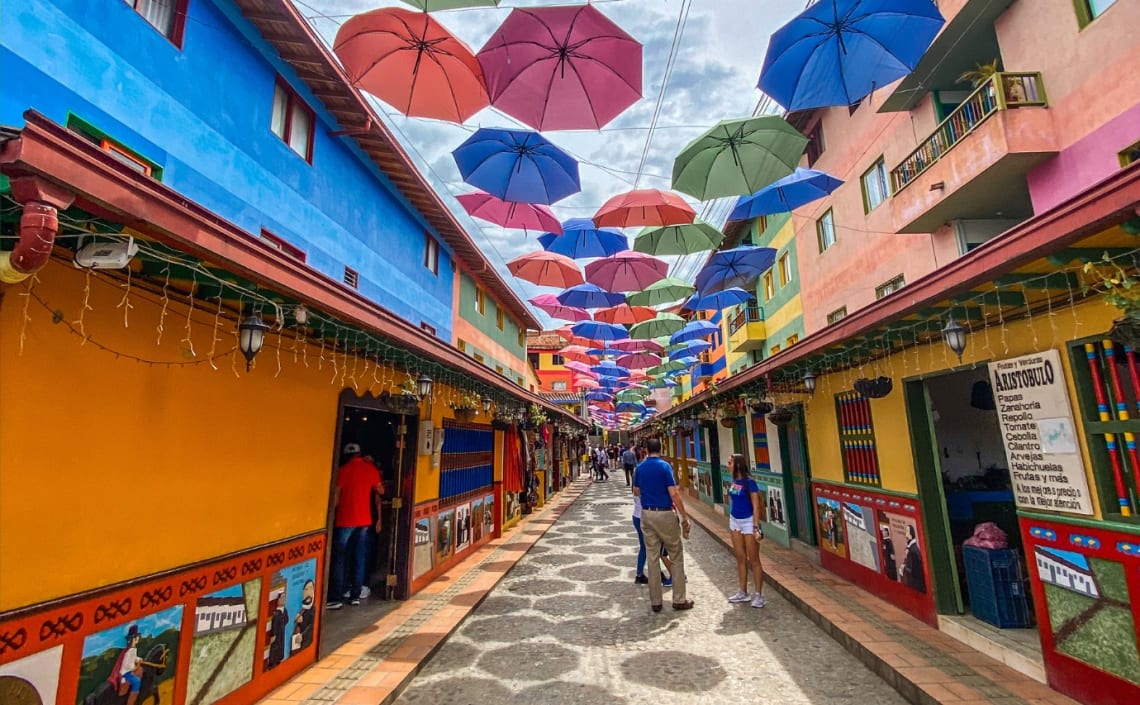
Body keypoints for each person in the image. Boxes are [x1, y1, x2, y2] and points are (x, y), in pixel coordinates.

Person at [632, 437, 692, 612]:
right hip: (665, 513)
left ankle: (656, 601)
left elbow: (636, 491)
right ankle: (679, 599)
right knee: (675, 554)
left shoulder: (640, 468)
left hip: (647, 514)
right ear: (660, 449)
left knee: (652, 557)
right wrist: (684, 517)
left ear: (647, 450)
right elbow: (673, 493)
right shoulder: (665, 466)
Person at [328, 443, 384, 609]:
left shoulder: (342, 470)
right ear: (360, 454)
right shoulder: (370, 470)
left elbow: (336, 498)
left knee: (340, 558)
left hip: (345, 519)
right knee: (359, 557)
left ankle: (337, 597)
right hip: (364, 520)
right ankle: (355, 595)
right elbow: (380, 491)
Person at [725, 453, 766, 608]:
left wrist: (756, 527)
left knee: (754, 559)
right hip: (735, 520)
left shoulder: (750, 483)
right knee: (740, 557)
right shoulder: (734, 481)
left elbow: (756, 506)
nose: (728, 465)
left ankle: (759, 594)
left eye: (730, 462)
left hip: (749, 521)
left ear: (738, 465)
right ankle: (742, 591)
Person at [631, 481, 673, 586]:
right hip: (645, 518)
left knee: (646, 547)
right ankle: (658, 574)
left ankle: (641, 574)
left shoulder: (637, 487)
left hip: (638, 517)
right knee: (653, 548)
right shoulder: (643, 490)